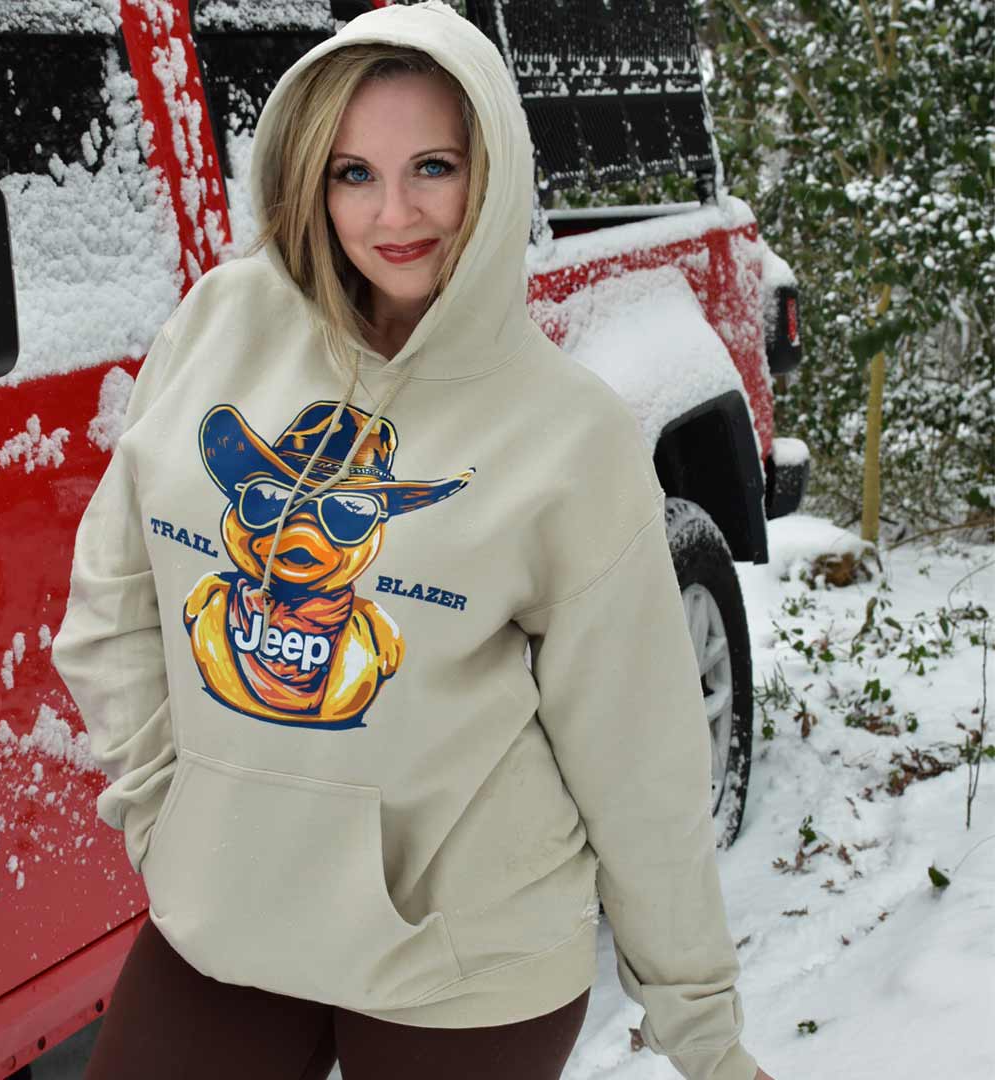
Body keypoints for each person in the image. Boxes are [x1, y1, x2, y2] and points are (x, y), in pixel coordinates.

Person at [52, 3, 776, 1078]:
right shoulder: (219, 324)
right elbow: (113, 597)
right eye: (354, 173)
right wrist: (170, 819)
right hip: (227, 918)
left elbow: (638, 753)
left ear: (493, 170)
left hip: (466, 957)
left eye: (433, 166)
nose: (394, 213)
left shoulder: (567, 432)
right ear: (310, 175)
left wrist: (700, 1025)